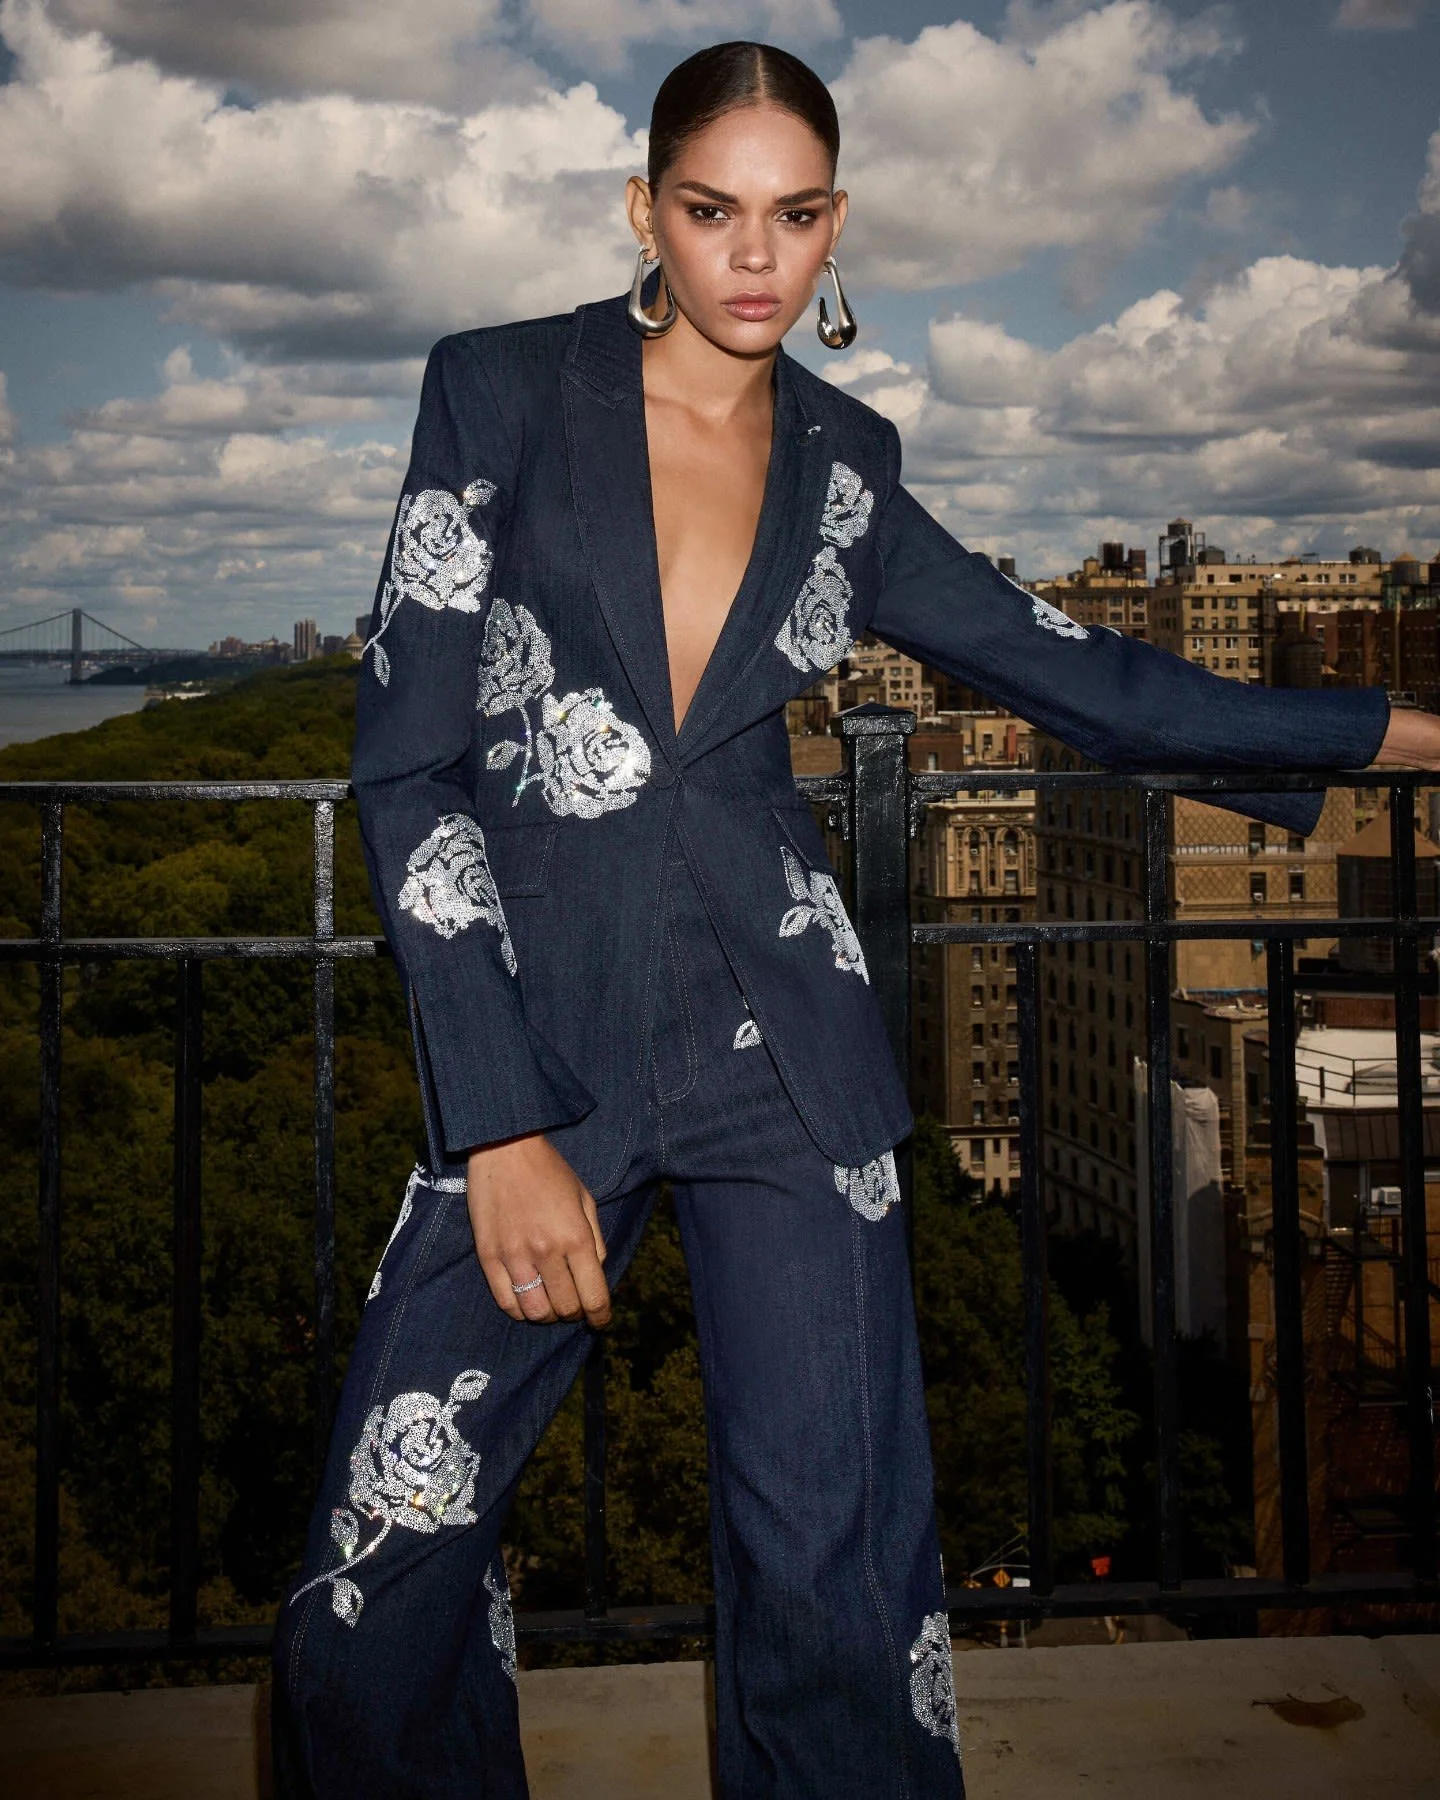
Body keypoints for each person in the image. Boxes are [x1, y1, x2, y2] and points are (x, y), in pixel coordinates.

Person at [271, 38, 1431, 1800]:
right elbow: (409, 767)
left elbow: (1084, 675)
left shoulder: (848, 465)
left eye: (796, 215)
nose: (755, 255)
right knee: (389, 1555)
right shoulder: (496, 390)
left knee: (837, 1566)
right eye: (711, 209)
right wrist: (496, 1122)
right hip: (538, 1047)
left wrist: (1399, 732)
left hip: (790, 1066)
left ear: (837, 227)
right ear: (643, 209)